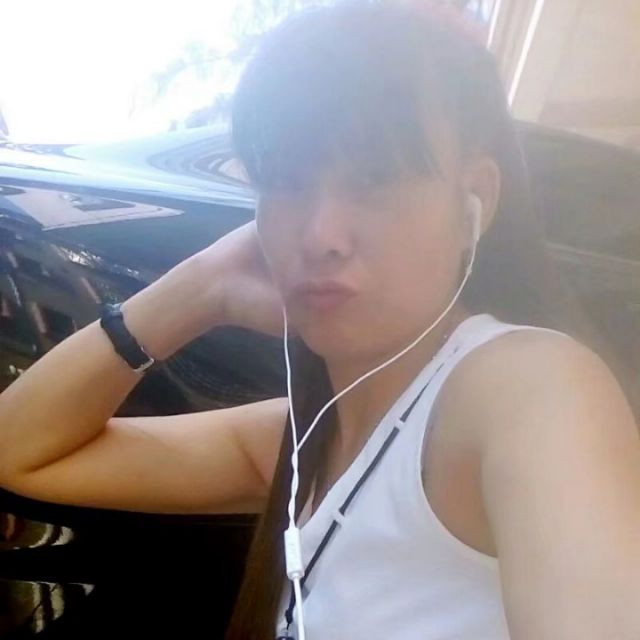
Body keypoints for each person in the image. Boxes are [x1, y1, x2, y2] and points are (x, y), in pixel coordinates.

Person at [0, 2, 639, 639]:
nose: (320, 235)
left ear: (476, 202)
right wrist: (201, 287)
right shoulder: (300, 443)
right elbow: (19, 450)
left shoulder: (527, 390)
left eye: (375, 178)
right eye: (285, 182)